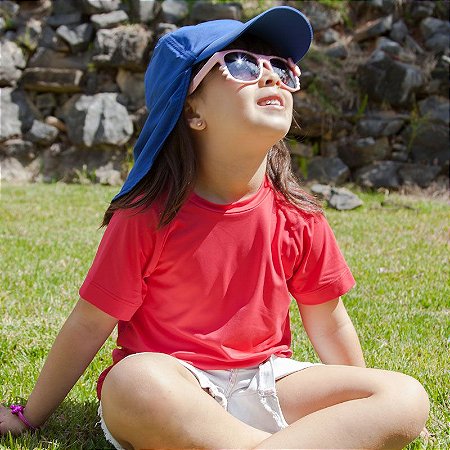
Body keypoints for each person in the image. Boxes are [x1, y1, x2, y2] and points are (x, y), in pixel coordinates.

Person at [0, 6, 429, 449]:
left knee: (403, 395)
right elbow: (89, 324)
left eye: (282, 67)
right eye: (242, 63)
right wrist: (29, 416)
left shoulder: (300, 216)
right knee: (132, 381)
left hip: (268, 383)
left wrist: (357, 405)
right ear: (192, 111)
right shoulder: (147, 215)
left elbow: (330, 325)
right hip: (174, 385)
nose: (271, 76)